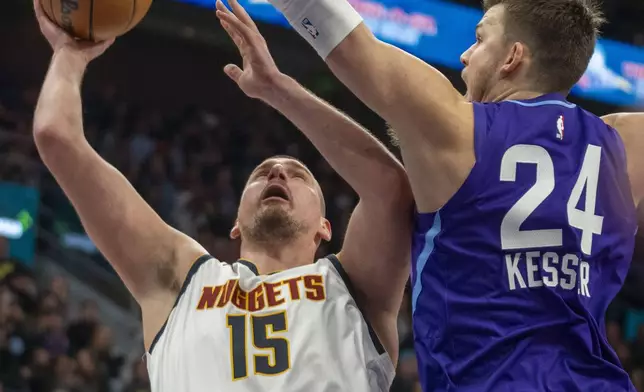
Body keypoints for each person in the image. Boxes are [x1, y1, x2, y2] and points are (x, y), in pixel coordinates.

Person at [239, 0, 644, 390]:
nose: (466, 56)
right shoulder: (625, 144)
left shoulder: (458, 127)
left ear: (512, 58)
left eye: (480, 40)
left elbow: (347, 41)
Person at [31, 0, 413, 391]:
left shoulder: (356, 287)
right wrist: (69, 53)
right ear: (235, 223)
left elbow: (390, 187)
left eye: (298, 175)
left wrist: (278, 90)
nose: (277, 171)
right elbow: (56, 138)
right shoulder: (180, 278)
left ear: (325, 227)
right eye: (260, 174)